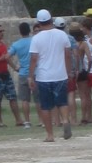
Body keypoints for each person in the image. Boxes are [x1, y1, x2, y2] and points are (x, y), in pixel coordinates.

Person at [28, 9, 72, 142]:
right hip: (60, 74)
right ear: (51, 20)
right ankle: (65, 120)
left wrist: (30, 75)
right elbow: (68, 55)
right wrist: (68, 71)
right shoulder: (62, 35)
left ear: (39, 22)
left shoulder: (36, 38)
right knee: (62, 102)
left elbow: (34, 59)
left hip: (44, 76)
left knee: (46, 106)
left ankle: (50, 135)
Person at [0, 23, 24, 127]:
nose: (2, 33)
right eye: (0, 31)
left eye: (2, 31)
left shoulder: (3, 44)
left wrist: (14, 67)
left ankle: (18, 119)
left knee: (12, 96)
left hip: (5, 74)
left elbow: (7, 58)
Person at [7, 22, 35, 128]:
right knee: (38, 99)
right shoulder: (34, 41)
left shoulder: (17, 44)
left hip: (23, 73)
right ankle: (42, 120)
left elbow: (7, 56)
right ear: (29, 30)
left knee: (25, 99)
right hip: (35, 72)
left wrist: (15, 67)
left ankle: (27, 121)